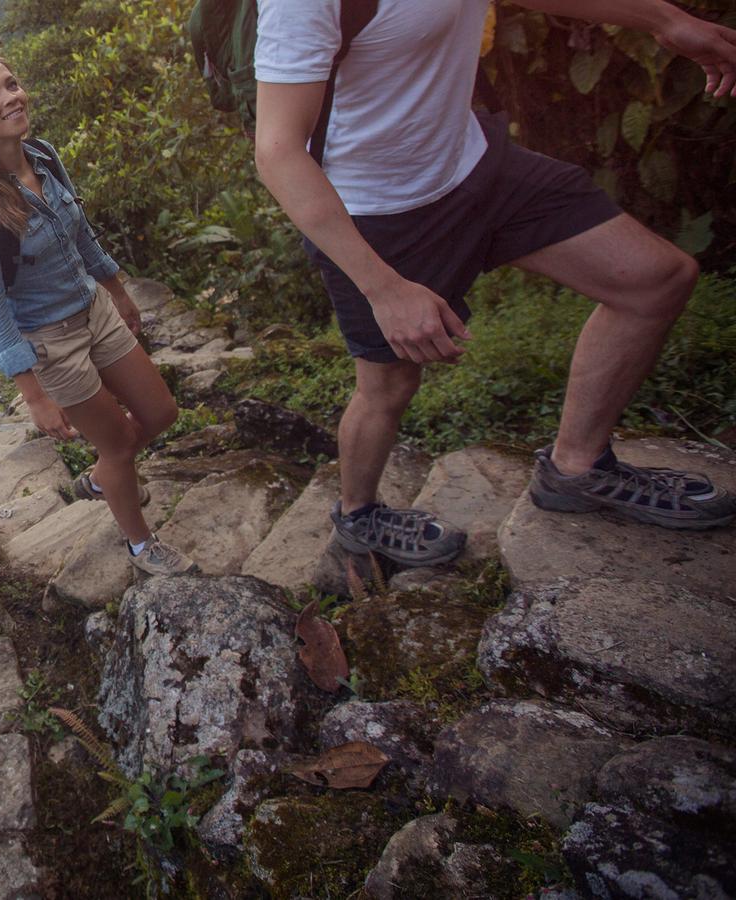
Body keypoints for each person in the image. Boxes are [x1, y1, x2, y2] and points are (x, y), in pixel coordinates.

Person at [252, 0, 736, 566]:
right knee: (388, 388)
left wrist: (661, 19)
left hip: (475, 164)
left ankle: (575, 470)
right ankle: (358, 518)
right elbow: (278, 151)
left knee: (656, 280)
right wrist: (384, 290)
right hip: (379, 212)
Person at [0, 52, 198, 577]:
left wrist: (117, 289)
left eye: (11, 84)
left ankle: (106, 476)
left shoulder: (44, 156)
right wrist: (32, 393)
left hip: (94, 309)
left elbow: (79, 233)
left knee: (160, 414)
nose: (10, 97)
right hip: (50, 343)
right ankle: (140, 545)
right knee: (122, 443)